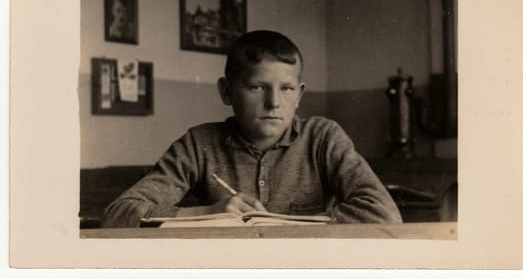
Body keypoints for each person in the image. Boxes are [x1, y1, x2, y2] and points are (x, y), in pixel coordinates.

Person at [103, 30, 402, 227]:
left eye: (286, 89)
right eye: (257, 87)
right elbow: (118, 215)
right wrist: (206, 213)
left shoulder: (322, 138)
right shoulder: (199, 143)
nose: (274, 103)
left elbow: (383, 213)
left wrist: (295, 227)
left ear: (299, 95)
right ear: (227, 92)